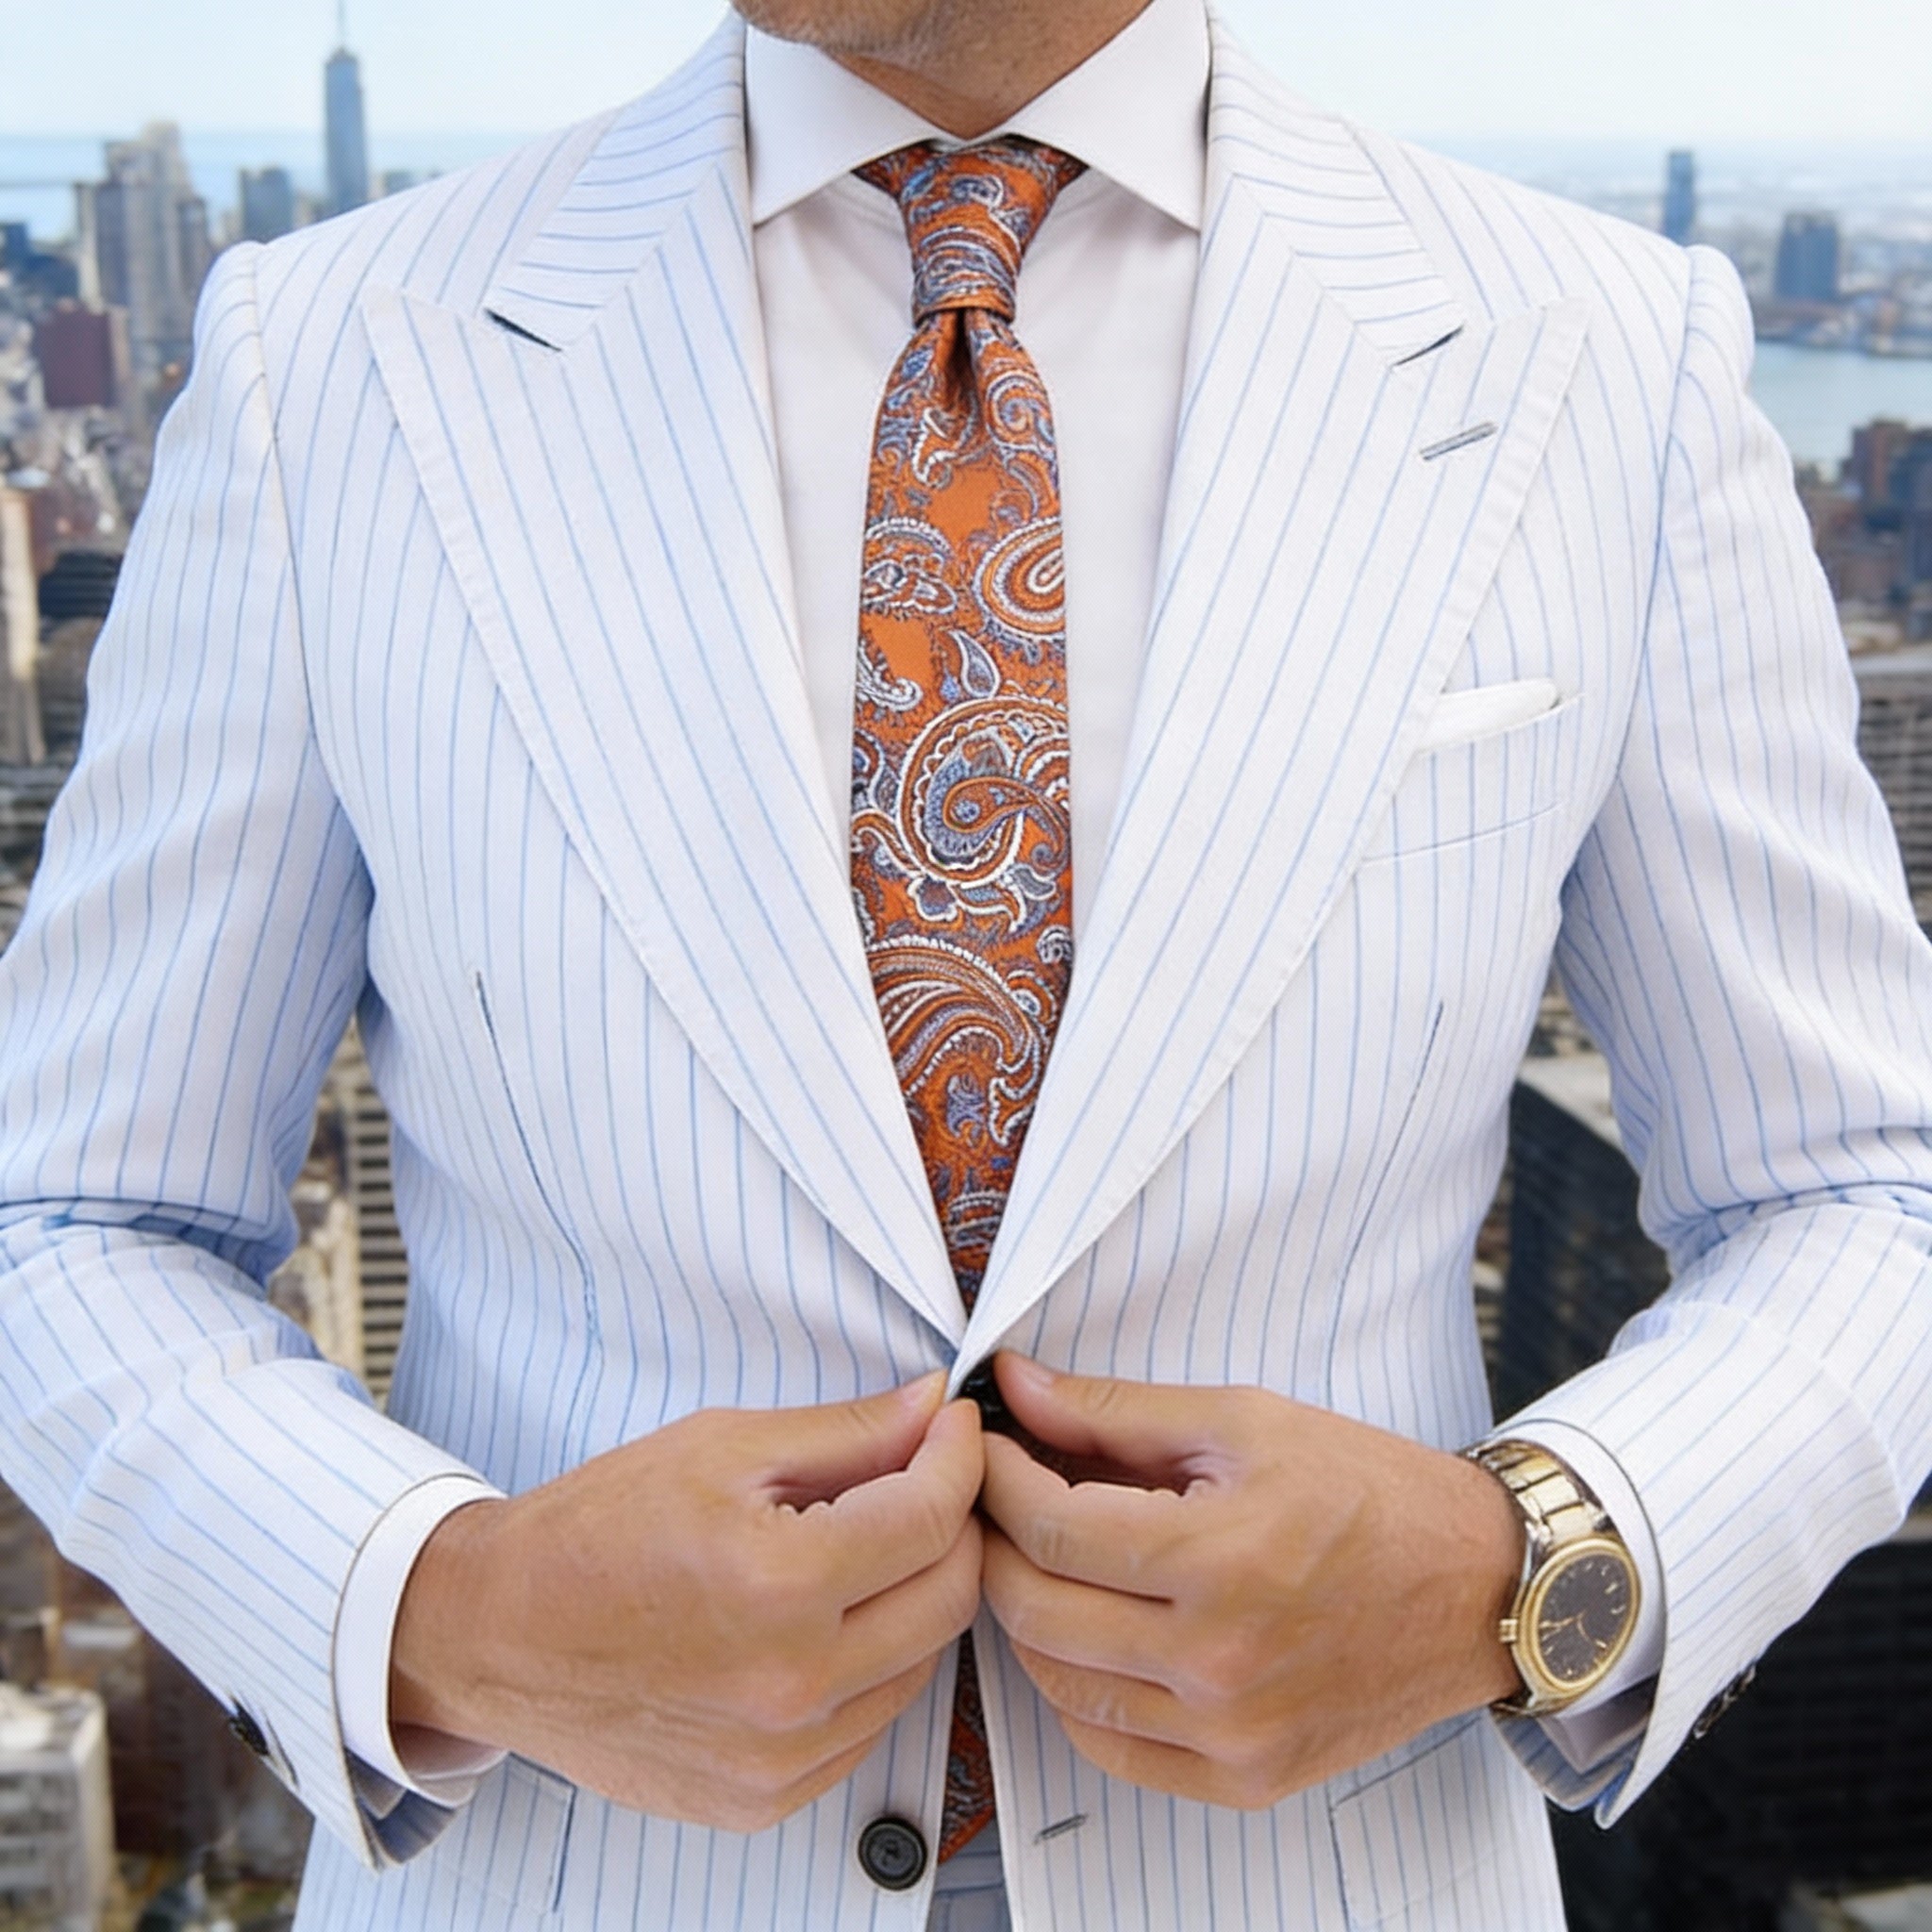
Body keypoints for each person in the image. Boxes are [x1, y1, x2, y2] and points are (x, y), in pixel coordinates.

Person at [2, 0, 1929, 1925]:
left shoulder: (1612, 359)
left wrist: (1517, 1570)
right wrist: (445, 1607)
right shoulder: (324, 362)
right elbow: (70, 1217)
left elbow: (1864, 1189)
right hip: (564, 1867)